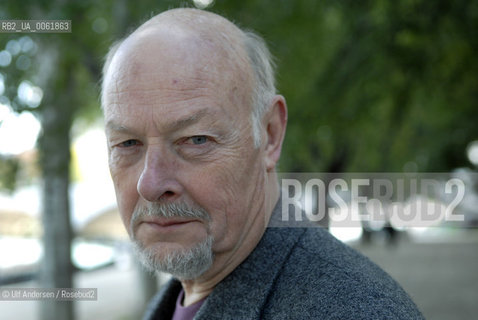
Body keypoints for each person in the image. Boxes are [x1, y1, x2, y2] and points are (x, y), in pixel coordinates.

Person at [101, 8, 424, 320]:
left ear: (270, 134)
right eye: (127, 143)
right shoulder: (182, 296)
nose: (151, 184)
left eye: (196, 139)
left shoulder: (355, 311)